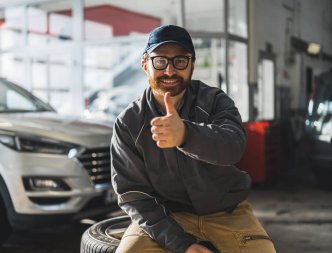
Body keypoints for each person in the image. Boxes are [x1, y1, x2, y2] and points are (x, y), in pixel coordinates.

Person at [110, 25, 276, 253]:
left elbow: (233, 147)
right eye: (160, 61)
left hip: (228, 212)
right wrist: (182, 245)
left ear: (192, 65)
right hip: (167, 217)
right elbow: (134, 196)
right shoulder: (129, 123)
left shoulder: (215, 101)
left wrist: (186, 135)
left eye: (180, 61)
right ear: (144, 64)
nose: (169, 71)